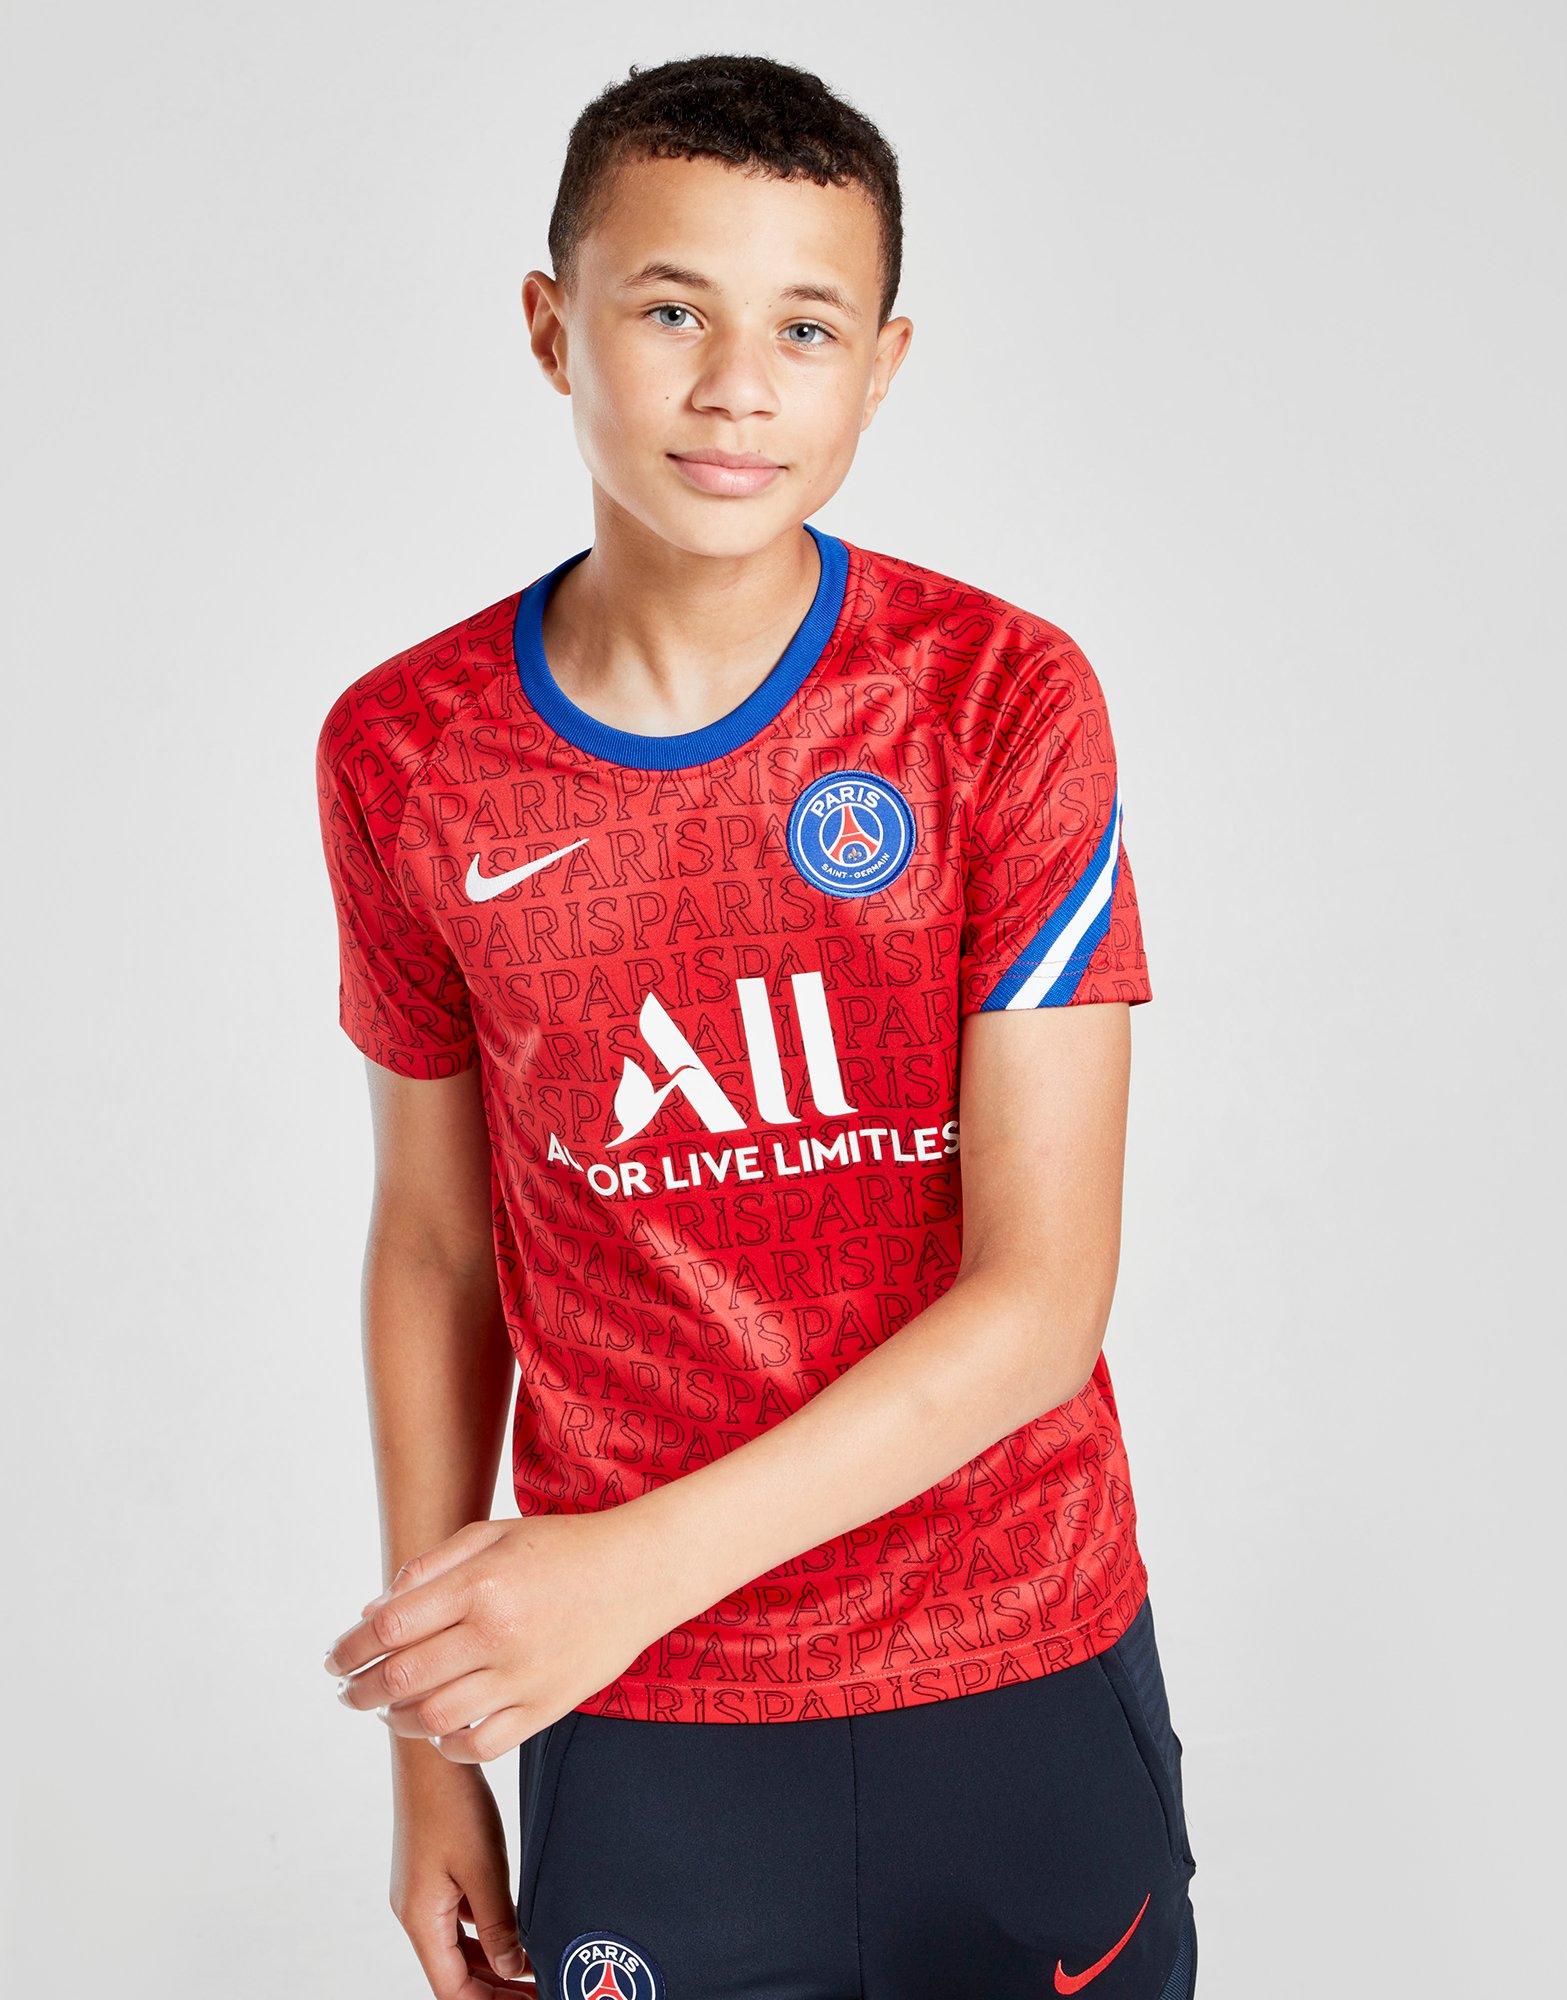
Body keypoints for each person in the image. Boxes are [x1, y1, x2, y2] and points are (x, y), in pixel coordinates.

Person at [315, 50, 1197, 2000]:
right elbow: (436, 1247)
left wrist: (621, 1570)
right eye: (669, 311)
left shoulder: (998, 699)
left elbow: (1044, 1296)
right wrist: (433, 1748)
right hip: (642, 1719)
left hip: (1015, 1664)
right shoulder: (406, 750)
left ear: (881, 366)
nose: (736, 385)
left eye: (804, 327)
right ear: (550, 327)